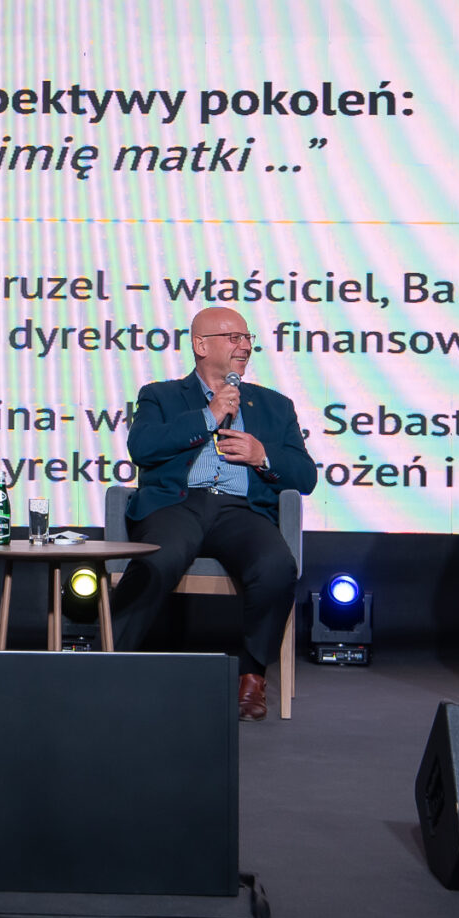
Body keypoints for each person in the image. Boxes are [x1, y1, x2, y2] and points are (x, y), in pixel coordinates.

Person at [111, 307, 318, 720]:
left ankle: (252, 677)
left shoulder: (275, 406)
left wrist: (262, 456)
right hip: (177, 505)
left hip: (241, 511)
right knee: (160, 559)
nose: (245, 346)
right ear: (200, 345)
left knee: (277, 566)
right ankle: (108, 661)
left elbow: (305, 476)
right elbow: (143, 448)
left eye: (247, 338)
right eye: (233, 338)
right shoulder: (161, 396)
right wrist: (209, 417)